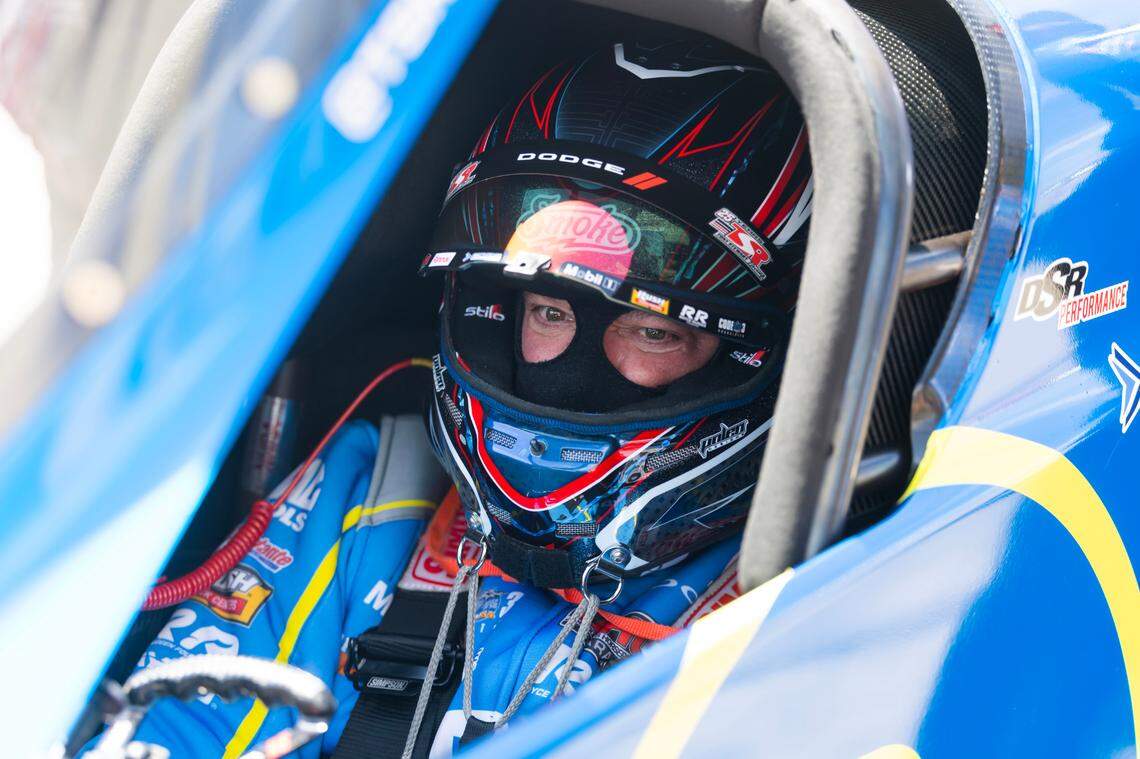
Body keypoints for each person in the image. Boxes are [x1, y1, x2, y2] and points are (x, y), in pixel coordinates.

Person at [118, 34, 810, 758]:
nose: (570, 377)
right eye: (550, 312)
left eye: (653, 331)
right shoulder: (373, 490)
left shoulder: (799, 602)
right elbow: (175, 733)